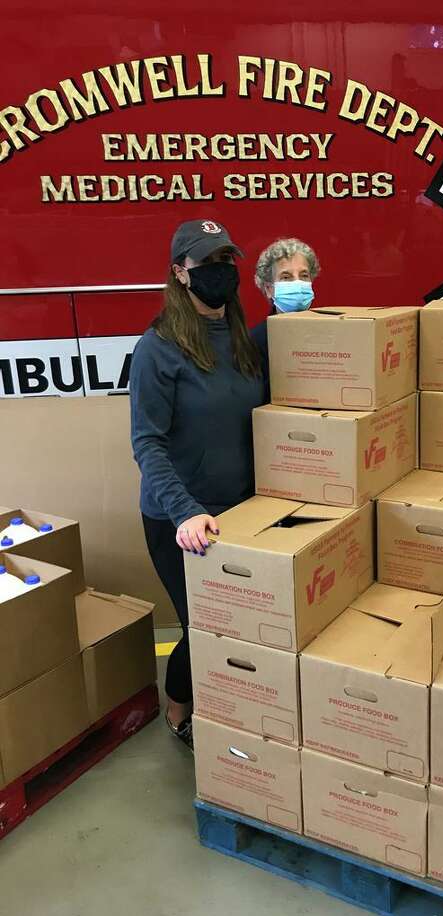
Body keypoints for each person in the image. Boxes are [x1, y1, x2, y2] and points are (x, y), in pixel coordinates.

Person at [129, 218, 266, 749]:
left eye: (227, 261)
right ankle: (179, 710)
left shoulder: (242, 340)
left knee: (245, 625)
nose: (220, 272)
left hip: (242, 510)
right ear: (180, 274)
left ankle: (239, 708)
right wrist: (184, 510)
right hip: (179, 518)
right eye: (207, 263)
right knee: (203, 626)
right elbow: (147, 444)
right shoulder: (158, 349)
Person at [252, 237, 321, 365]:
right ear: (269, 289)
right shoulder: (254, 343)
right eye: (286, 277)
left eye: (304, 275)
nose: (297, 283)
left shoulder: (329, 333)